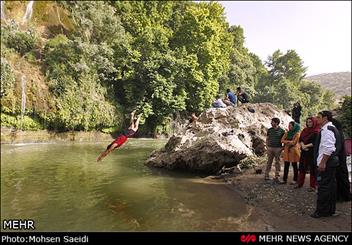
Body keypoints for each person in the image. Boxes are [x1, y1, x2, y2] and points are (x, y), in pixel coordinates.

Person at [311, 111, 341, 218]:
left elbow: (329, 148)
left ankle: (321, 211)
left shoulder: (327, 130)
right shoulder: (330, 128)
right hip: (331, 163)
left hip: (327, 163)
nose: (317, 119)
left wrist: (323, 162)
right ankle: (330, 210)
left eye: (319, 117)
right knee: (330, 186)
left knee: (323, 187)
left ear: (325, 118)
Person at [295, 117, 320, 191]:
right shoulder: (304, 130)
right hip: (304, 152)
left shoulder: (316, 131)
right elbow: (301, 139)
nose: (309, 123)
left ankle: (313, 186)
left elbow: (316, 142)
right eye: (308, 122)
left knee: (313, 169)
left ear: (314, 122)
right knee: (302, 168)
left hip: (312, 152)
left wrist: (306, 146)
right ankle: (299, 183)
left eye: (310, 122)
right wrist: (302, 145)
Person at [331, 118, 351, 202]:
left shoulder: (336, 134)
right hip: (340, 158)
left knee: (339, 177)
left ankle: (341, 196)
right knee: (341, 177)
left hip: (338, 158)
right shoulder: (339, 134)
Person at [264, 118, 285, 182]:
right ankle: (266, 175)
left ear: (276, 123)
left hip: (278, 148)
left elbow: (284, 139)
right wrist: (267, 146)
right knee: (269, 162)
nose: (271, 123)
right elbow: (267, 138)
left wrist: (282, 148)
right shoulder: (270, 130)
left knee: (277, 162)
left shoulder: (282, 131)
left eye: (272, 122)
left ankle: (277, 176)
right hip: (270, 148)